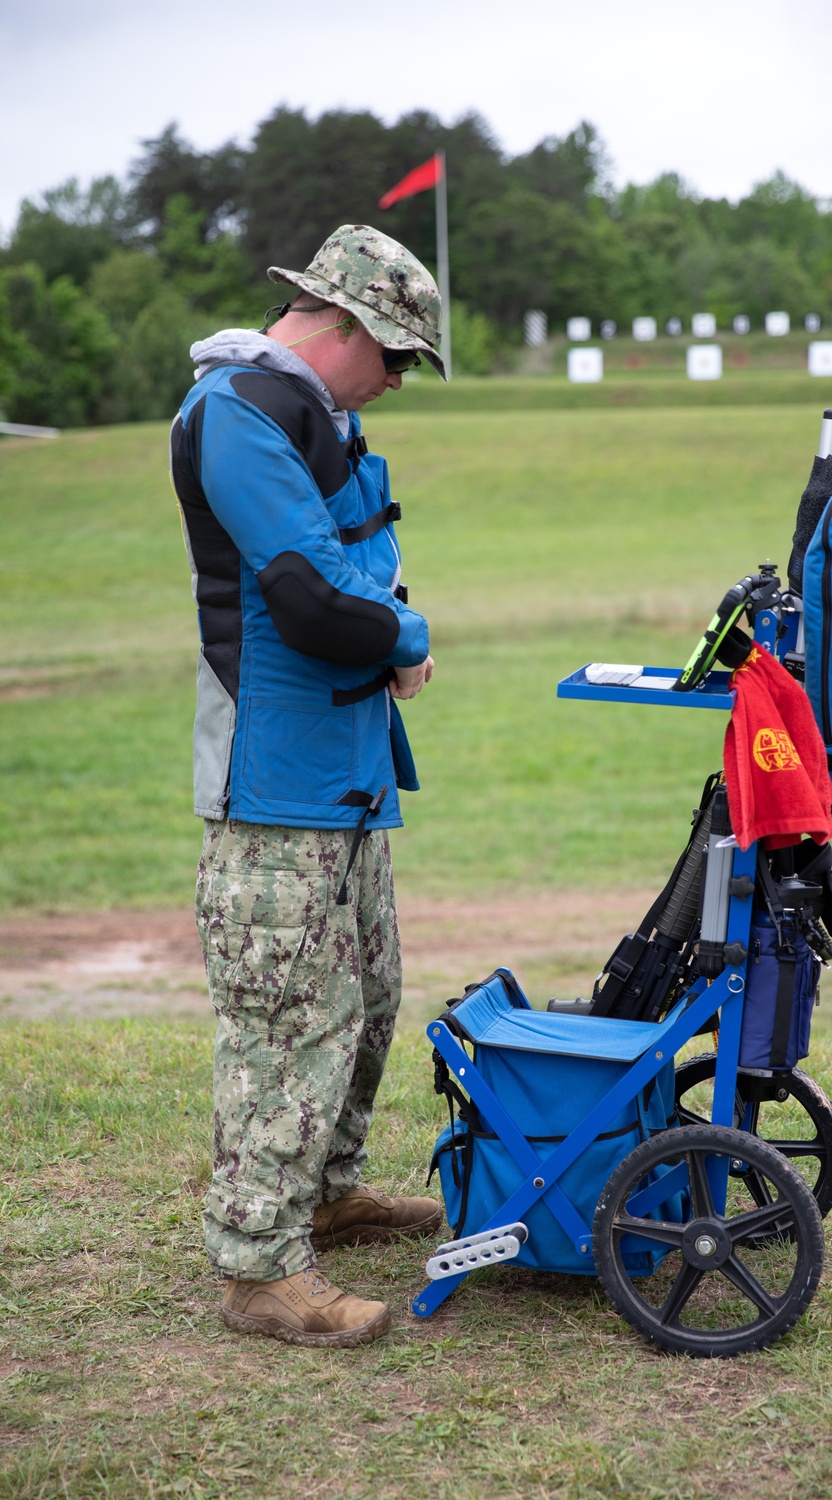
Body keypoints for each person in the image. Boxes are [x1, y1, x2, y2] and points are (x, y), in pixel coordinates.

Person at [169, 225, 445, 1349]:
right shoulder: (234, 411)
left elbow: (354, 570)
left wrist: (390, 623)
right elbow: (312, 598)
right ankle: (259, 1269)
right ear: (341, 326)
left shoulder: (316, 416)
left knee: (368, 1002)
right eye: (398, 355)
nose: (400, 380)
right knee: (288, 1023)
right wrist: (409, 633)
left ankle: (325, 1191)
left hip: (345, 780)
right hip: (273, 786)